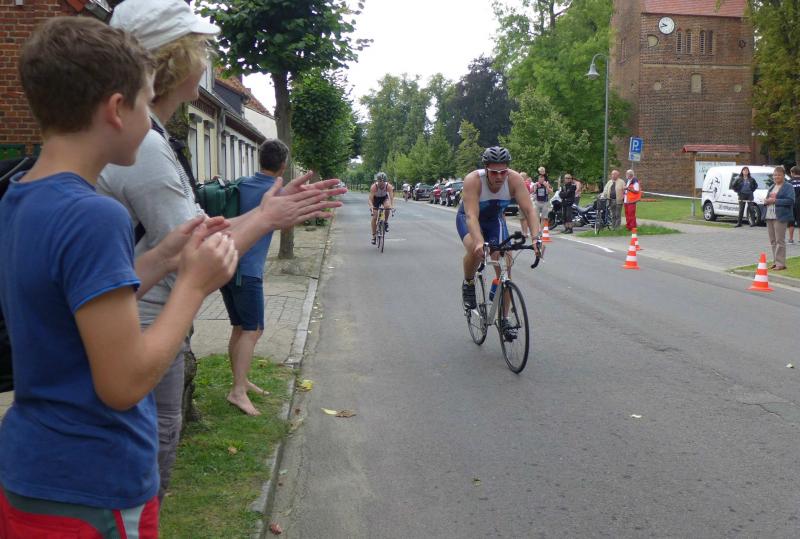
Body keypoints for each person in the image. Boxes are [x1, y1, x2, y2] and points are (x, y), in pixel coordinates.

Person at [98, 0, 345, 503]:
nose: (208, 58)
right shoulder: (145, 147)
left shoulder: (151, 138)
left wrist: (265, 212)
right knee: (143, 481)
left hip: (146, 324)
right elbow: (198, 253)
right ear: (174, 60)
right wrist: (267, 218)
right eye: (199, 49)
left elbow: (190, 233)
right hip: (143, 331)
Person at [0, 17, 237, 535]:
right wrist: (193, 287)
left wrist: (164, 257)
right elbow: (123, 383)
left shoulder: (21, 197)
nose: (151, 120)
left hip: (33, 469)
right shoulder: (95, 215)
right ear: (116, 109)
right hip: (95, 481)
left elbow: (70, 303)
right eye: (146, 102)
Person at [220, 139, 286, 416]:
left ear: (260, 159)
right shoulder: (276, 194)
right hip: (248, 273)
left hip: (226, 266)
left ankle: (242, 380)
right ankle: (237, 391)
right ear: (283, 165)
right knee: (253, 330)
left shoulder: (241, 184)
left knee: (239, 327)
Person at [458, 146, 541, 339]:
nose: (499, 177)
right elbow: (471, 216)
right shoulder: (473, 180)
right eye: (494, 172)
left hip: (495, 220)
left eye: (503, 172)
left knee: (505, 265)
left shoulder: (514, 179)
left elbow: (529, 210)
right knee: (475, 250)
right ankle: (468, 282)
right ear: (486, 169)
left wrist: (536, 238)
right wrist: (480, 242)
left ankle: (503, 319)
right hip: (469, 218)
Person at [764, 166, 795, 271]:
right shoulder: (772, 186)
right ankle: (775, 262)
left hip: (780, 216)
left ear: (783, 176)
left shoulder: (788, 187)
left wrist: (775, 201)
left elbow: (790, 201)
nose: (776, 177)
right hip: (769, 215)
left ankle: (781, 263)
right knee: (773, 241)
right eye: (775, 175)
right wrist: (766, 201)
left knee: (779, 240)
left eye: (778, 175)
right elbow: (768, 199)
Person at [369, 172, 394, 243]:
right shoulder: (374, 187)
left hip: (384, 198)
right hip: (375, 199)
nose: (381, 183)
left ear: (385, 181)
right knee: (375, 217)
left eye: (383, 181)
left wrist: (392, 206)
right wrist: (371, 206)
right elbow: (370, 199)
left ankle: (385, 222)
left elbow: (391, 198)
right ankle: (374, 236)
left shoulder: (389, 186)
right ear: (377, 181)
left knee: (387, 207)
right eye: (380, 181)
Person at [786, 166, 800, 242]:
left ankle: (791, 239)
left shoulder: (789, 182)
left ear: (792, 173)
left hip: (791, 204)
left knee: (791, 221)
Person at [519, 172, 534, 237]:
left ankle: (525, 232)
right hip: (520, 202)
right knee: (521, 218)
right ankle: (523, 232)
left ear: (524, 177)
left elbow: (525, 194)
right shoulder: (522, 183)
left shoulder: (525, 184)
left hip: (524, 202)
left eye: (520, 176)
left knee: (524, 218)